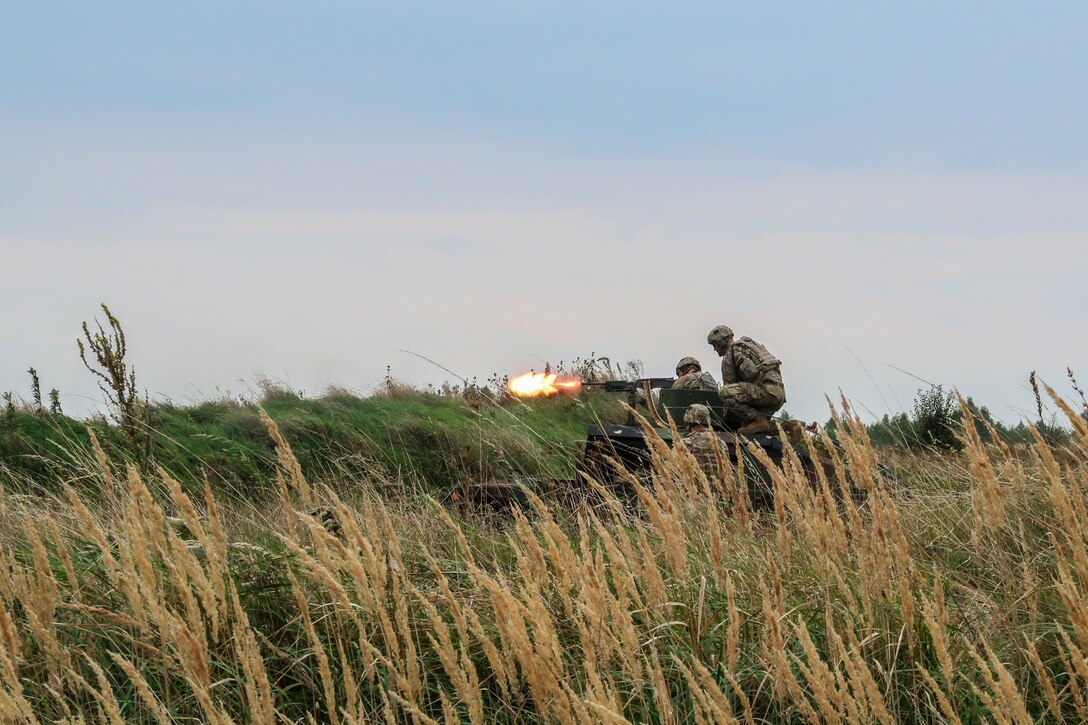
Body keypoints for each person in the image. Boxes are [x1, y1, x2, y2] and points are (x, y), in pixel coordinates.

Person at [706, 324, 785, 435]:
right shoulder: (748, 347)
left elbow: (729, 389)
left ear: (722, 342)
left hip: (765, 391)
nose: (714, 349)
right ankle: (791, 426)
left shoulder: (731, 353)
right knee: (752, 427)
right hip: (778, 394)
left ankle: (758, 420)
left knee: (724, 392)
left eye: (714, 344)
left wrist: (724, 422)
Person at [682, 403, 723, 482]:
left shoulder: (687, 443)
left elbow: (670, 468)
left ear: (688, 420)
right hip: (718, 492)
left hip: (694, 492)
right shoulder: (721, 443)